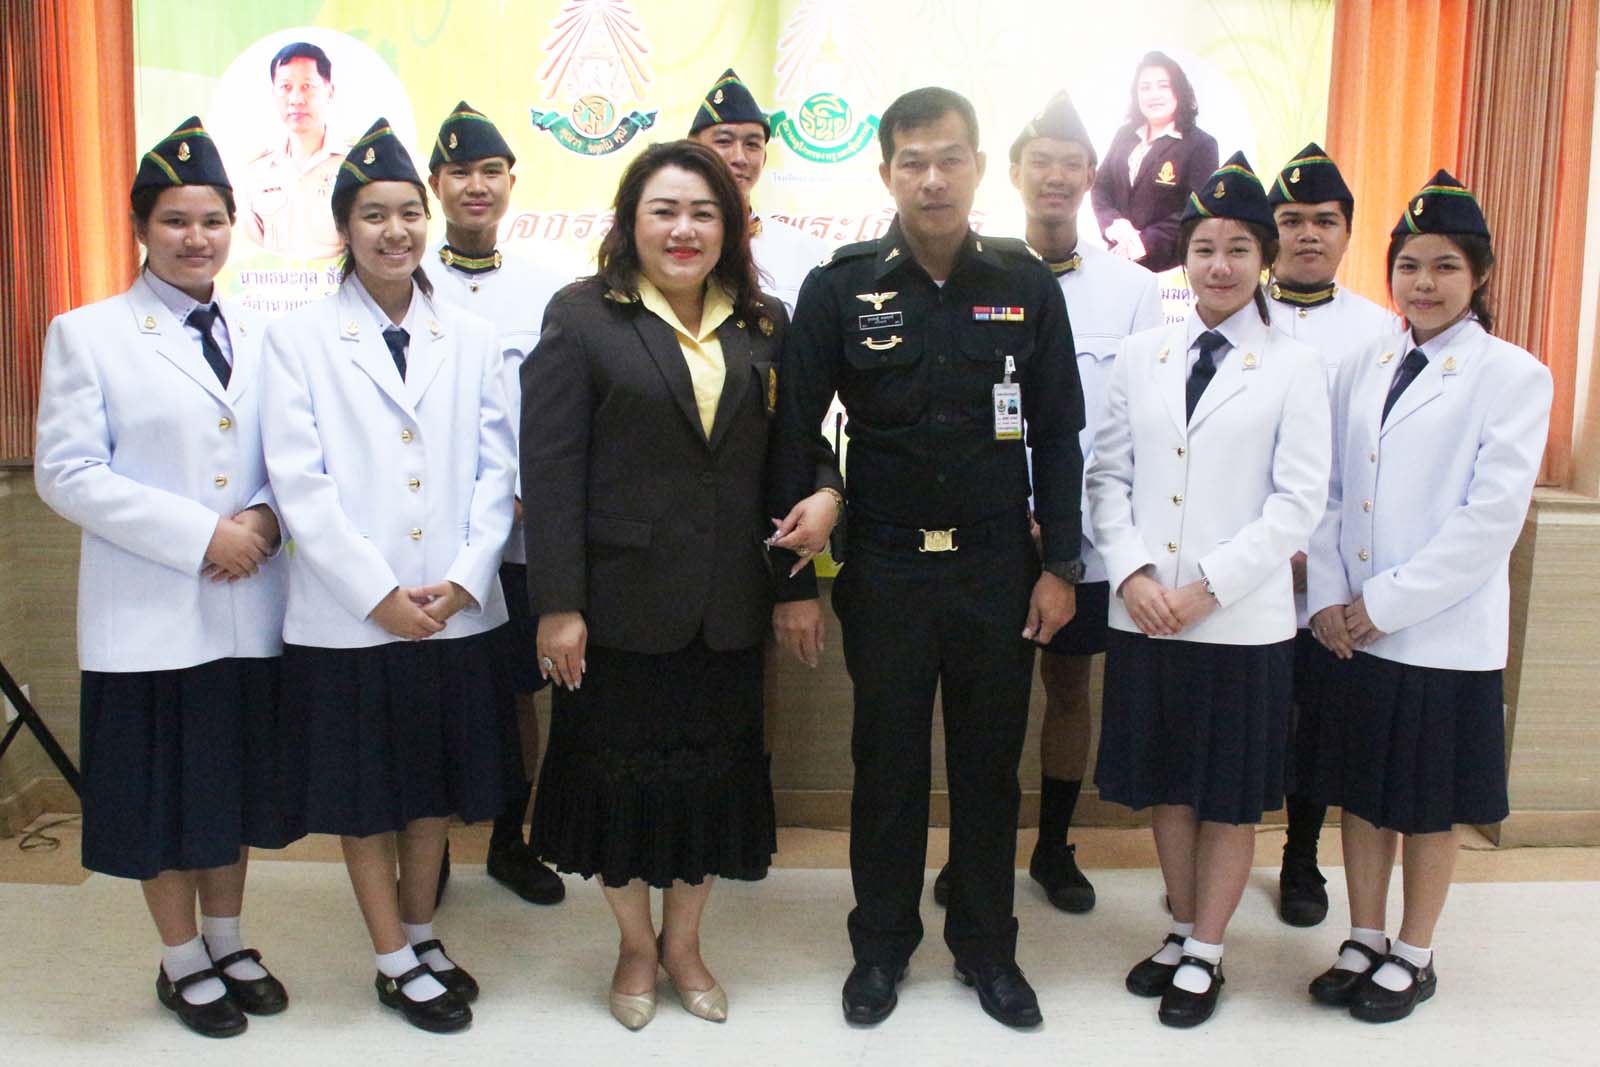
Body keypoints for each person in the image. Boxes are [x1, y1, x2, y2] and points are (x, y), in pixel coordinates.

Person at [770, 86, 1084, 1029]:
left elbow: (1058, 435)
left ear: (980, 167)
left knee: (989, 768)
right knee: (888, 766)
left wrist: (1061, 565)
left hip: (995, 569)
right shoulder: (840, 287)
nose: (933, 179)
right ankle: (881, 946)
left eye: (950, 159)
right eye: (913, 162)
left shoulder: (1026, 284)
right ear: (887, 174)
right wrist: (801, 557)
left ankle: (988, 948)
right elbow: (796, 431)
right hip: (886, 568)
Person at [521, 139, 836, 1031]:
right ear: (631, 222)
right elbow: (550, 470)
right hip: (617, 606)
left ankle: (686, 944)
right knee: (617, 788)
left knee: (710, 787)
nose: (684, 229)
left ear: (730, 226)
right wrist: (558, 603)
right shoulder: (583, 316)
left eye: (703, 212)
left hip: (727, 602)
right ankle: (633, 945)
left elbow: (795, 449)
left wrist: (827, 495)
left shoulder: (763, 323)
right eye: (664, 211)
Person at [34, 118, 297, 1038]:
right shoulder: (89, 333)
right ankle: (181, 957)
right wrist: (201, 536)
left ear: (234, 227)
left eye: (212, 220)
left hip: (249, 609)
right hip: (150, 617)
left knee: (229, 791)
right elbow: (67, 473)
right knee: (163, 798)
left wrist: (263, 519)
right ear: (141, 227)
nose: (196, 238)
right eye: (176, 221)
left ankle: (228, 939)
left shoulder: (266, 335)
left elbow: (295, 455)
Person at [259, 118, 518, 1034]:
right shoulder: (294, 338)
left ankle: (419, 931)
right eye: (374, 215)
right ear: (345, 227)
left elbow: (498, 471)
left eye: (410, 212)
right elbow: (300, 484)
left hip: (453, 607)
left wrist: (465, 577)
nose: (395, 231)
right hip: (349, 617)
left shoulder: (474, 335)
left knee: (434, 791)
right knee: (366, 798)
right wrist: (376, 594)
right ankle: (390, 957)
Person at [1087, 152, 1330, 1028]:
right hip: (1145, 612)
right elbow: (1106, 477)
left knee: (1226, 792)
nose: (1218, 265)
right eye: (1203, 248)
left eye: (1236, 249)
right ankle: (1183, 927)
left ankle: (1209, 949)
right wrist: (1133, 573)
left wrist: (1206, 588)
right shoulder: (1141, 353)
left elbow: (1297, 502)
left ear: (1264, 257)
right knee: (1168, 783)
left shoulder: (1296, 365)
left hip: (1238, 622)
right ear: (1183, 257)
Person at [1304, 172, 1552, 1024]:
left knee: (1429, 806)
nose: (1424, 282)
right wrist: (1329, 600)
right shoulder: (1364, 362)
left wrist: (1384, 603)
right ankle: (1363, 936)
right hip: (1354, 630)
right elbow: (1331, 491)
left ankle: (1414, 950)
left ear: (1479, 275)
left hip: (1440, 636)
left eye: (1445, 266)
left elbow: (1490, 521)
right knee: (1363, 796)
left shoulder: (1514, 375)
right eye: (1409, 265)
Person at [929, 90, 1163, 917]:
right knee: (980, 701)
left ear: (1091, 176)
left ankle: (1054, 845)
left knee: (1068, 689)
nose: (1055, 177)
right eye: (1041, 162)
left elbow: (1132, 424)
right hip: (989, 526)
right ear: (1014, 172)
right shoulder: (973, 271)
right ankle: (972, 850)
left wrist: (1069, 523)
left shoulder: (1132, 290)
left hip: (1083, 534)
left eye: (1071, 164)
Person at [421, 100, 571, 908]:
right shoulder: (403, 282)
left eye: (490, 171)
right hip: (430, 534)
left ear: (512, 181)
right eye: (458, 173)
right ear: (435, 185)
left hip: (520, 533)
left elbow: (559, 409)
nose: (475, 186)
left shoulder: (550, 289)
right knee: (432, 689)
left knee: (517, 691)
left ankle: (513, 840)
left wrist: (527, 490)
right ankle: (430, 845)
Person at [1264, 142, 1398, 928]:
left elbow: (1362, 466)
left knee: (1316, 720)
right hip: (1244, 565)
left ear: (1348, 232)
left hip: (1328, 569)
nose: (1307, 233)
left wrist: (1317, 558)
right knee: (1244, 715)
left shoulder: (1381, 331)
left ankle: (1300, 857)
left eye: (1324, 220)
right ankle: (1213, 853)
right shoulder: (1235, 312)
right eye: (1291, 220)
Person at [688, 67, 831, 314]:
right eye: (724, 141)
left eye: (752, 144)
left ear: (764, 158)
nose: (739, 157)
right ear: (692, 152)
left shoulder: (805, 251)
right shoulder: (672, 243)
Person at [1092, 51, 1219, 273]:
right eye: (1145, 88)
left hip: (1170, 270)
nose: (1154, 95)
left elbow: (1196, 210)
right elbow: (1101, 187)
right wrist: (1114, 224)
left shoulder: (1201, 144)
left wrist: (1142, 244)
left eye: (1163, 86)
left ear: (1179, 90)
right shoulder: (1125, 135)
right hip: (1118, 259)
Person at [239, 41, 347, 258]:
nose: (296, 99)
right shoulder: (257, 171)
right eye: (286, 87)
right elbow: (251, 250)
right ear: (273, 93)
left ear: (330, 91)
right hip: (274, 279)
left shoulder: (353, 163)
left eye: (307, 86)